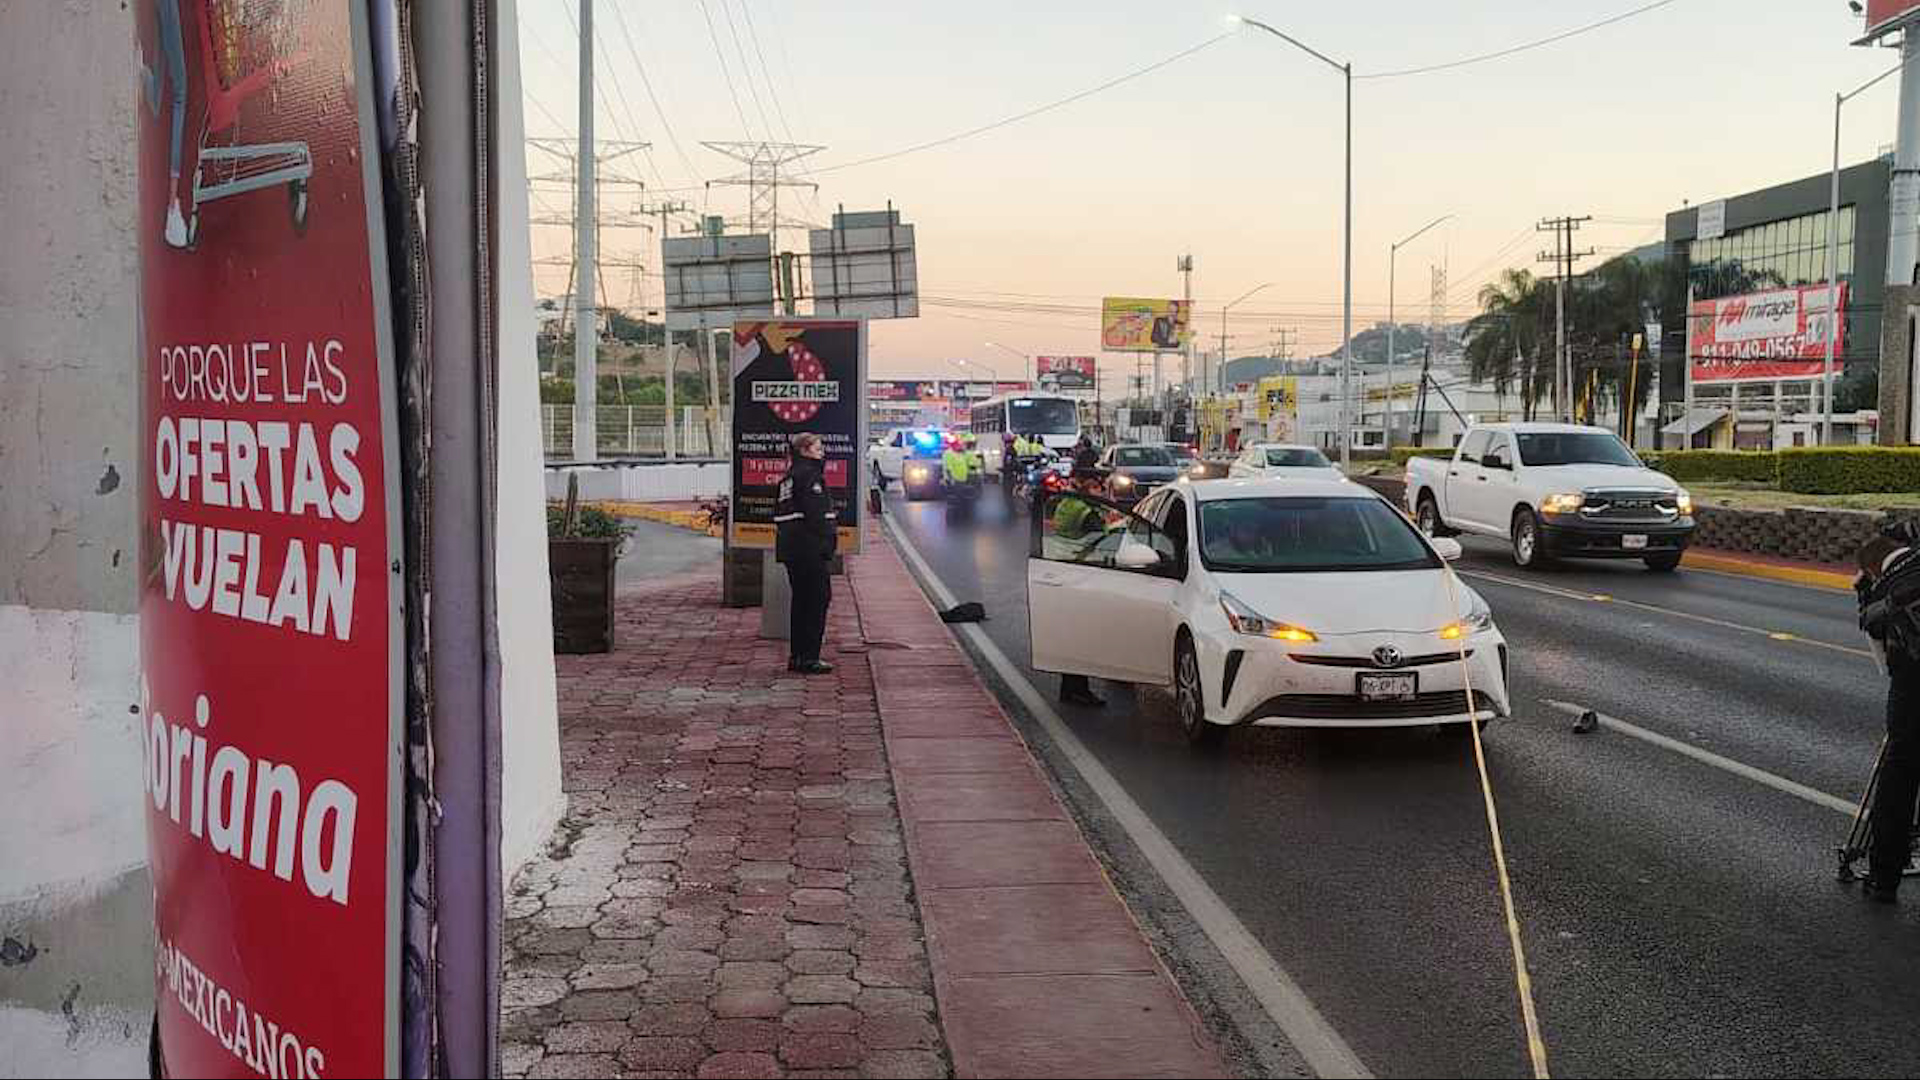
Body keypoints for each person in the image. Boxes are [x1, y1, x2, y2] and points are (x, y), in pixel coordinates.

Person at [1858, 520, 1920, 902]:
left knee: (1900, 773)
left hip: (1913, 686)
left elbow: (1884, 664)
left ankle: (1884, 875)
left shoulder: (1881, 597)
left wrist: (1866, 598)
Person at [775, 433, 837, 675]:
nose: (822, 451)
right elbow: (817, 516)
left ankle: (798, 655)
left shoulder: (788, 478)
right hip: (808, 549)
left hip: (791, 549)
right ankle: (809, 657)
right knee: (816, 601)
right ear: (804, 450)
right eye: (817, 447)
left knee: (801, 602)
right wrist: (828, 543)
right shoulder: (810, 477)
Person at [1051, 469, 1111, 708]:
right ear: (1087, 485)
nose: (1100, 489)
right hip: (1084, 573)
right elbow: (1103, 540)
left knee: (1071, 634)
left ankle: (1069, 688)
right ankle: (1079, 690)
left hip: (1064, 569)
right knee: (1082, 637)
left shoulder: (1067, 503)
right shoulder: (1086, 511)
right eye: (1097, 486)